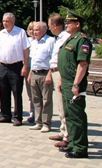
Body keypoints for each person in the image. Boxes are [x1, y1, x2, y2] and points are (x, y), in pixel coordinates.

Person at [56, 11, 91, 159]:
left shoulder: (81, 41)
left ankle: (81, 147)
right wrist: (61, 80)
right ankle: (72, 143)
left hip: (74, 84)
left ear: (77, 24)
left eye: (69, 22)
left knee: (77, 116)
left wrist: (76, 83)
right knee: (69, 115)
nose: (66, 24)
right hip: (66, 82)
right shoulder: (70, 39)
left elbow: (82, 64)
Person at [0, 12, 30, 126]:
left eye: (7, 21)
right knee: (3, 91)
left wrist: (25, 66)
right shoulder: (1, 33)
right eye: (4, 21)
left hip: (16, 66)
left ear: (13, 21)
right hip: (3, 66)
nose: (5, 23)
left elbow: (26, 50)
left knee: (16, 92)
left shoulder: (21, 32)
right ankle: (6, 115)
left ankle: (17, 117)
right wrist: (0, 63)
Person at [48, 14, 71, 148]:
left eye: (50, 26)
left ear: (56, 25)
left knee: (63, 106)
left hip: (60, 72)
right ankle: (63, 131)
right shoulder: (59, 38)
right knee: (59, 105)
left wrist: (61, 76)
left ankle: (67, 136)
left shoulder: (65, 38)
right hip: (55, 71)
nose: (50, 28)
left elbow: (64, 59)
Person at [28, 22, 55, 133]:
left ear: (44, 30)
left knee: (46, 100)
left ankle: (46, 123)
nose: (34, 32)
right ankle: (38, 122)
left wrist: (50, 74)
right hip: (34, 73)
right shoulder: (34, 42)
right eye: (34, 30)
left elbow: (53, 59)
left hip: (45, 73)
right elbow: (33, 60)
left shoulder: (50, 41)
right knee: (36, 100)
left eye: (37, 30)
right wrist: (30, 73)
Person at [25, 21, 36, 124]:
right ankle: (32, 112)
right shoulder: (27, 41)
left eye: (34, 29)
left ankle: (39, 113)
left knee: (37, 93)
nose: (32, 31)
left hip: (38, 69)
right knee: (30, 92)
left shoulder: (43, 41)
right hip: (28, 67)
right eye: (31, 29)